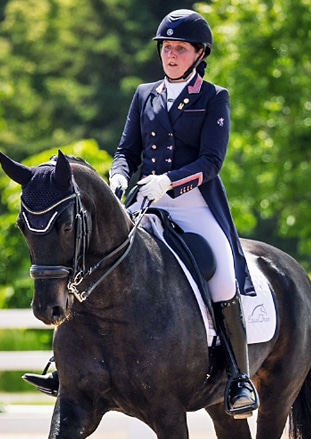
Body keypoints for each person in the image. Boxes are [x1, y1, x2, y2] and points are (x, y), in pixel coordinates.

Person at [23, 8, 260, 418]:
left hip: (194, 204)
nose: (170, 55)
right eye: (166, 48)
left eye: (179, 49)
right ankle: (63, 366)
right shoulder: (144, 93)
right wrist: (118, 178)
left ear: (199, 53)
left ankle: (238, 378)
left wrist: (168, 182)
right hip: (143, 202)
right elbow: (125, 151)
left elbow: (211, 161)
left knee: (221, 274)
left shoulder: (212, 98)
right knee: (90, 260)